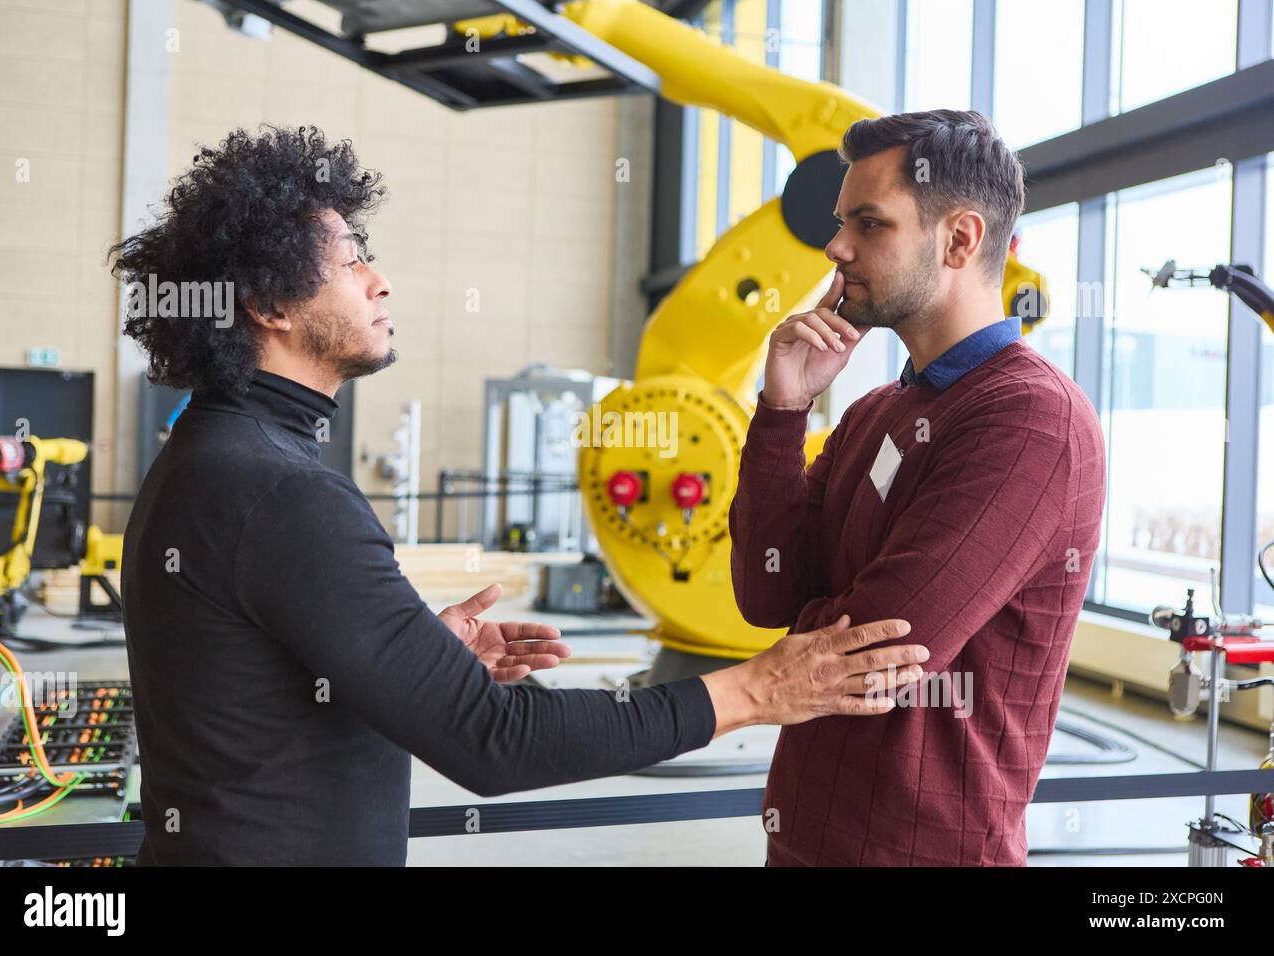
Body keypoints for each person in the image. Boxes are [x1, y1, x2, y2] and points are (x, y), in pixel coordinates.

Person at [110, 125, 929, 866]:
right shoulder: (281, 491)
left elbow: (259, 690)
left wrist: (416, 660)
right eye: (351, 259)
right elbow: (496, 742)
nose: (380, 281)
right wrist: (754, 691)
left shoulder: (212, 455)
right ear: (267, 304)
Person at [730, 110, 1106, 866]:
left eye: (869, 224)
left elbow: (882, 652)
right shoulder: (876, 411)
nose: (835, 248)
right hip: (804, 838)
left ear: (960, 239)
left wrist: (828, 624)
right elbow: (765, 596)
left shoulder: (1032, 421)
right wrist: (782, 412)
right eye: (843, 223)